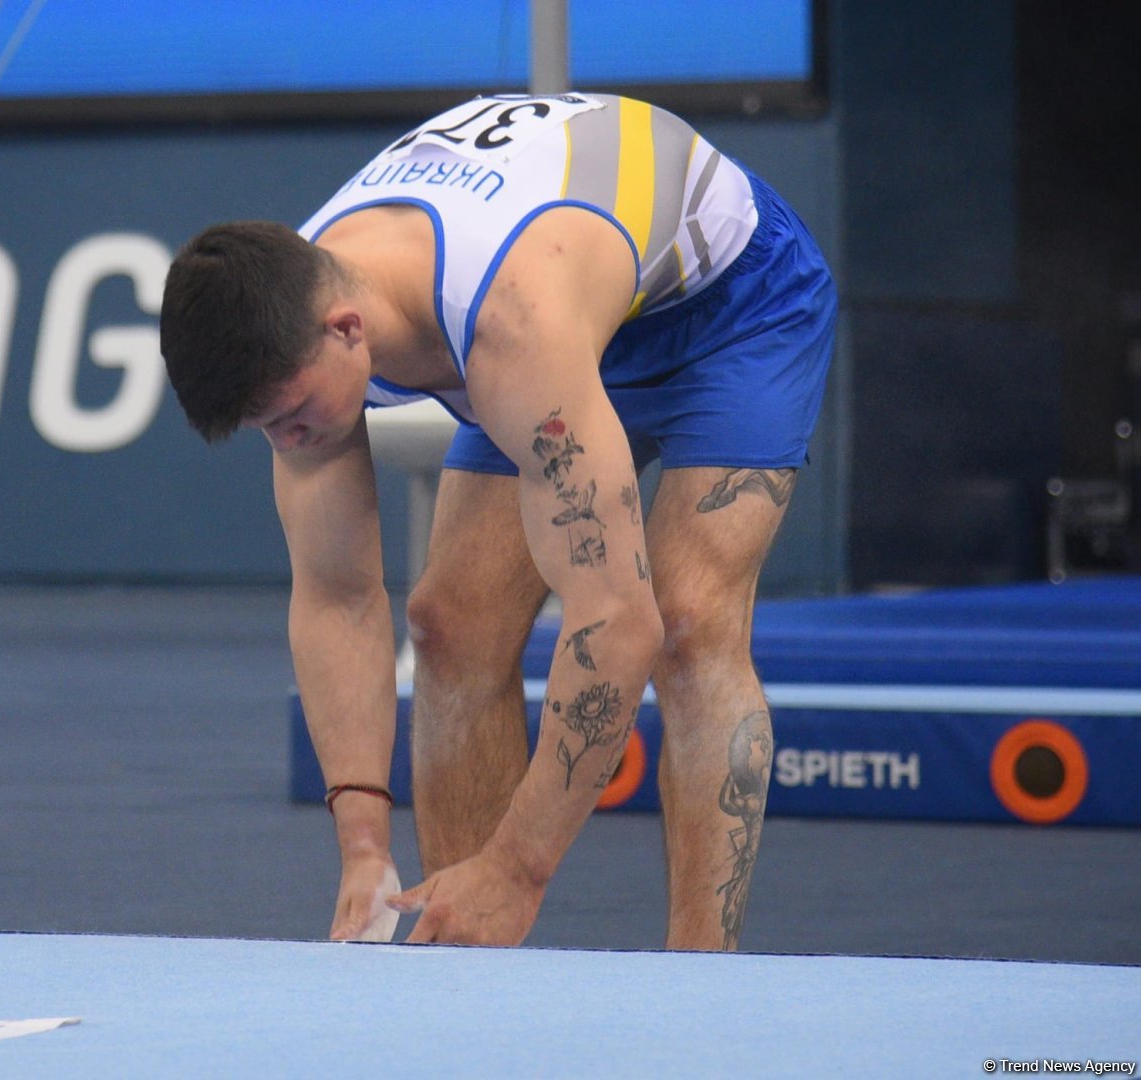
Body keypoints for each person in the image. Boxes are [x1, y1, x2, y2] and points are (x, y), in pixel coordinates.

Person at [159, 92, 837, 951]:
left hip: (733, 310)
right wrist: (365, 848)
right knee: (450, 624)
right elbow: (336, 598)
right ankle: (464, 952)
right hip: (556, 300)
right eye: (265, 428)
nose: (285, 440)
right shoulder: (289, 319)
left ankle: (700, 976)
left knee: (688, 627)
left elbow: (615, 623)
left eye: (290, 416)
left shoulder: (507, 329)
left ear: (348, 329)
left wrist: (519, 867)